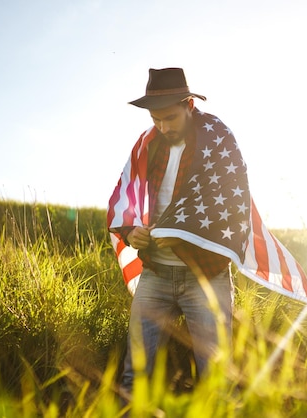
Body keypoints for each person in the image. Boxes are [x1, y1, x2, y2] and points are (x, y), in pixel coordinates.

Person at [107, 67, 246, 400]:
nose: (163, 127)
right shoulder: (147, 144)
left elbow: (231, 197)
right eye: (156, 119)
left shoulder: (217, 140)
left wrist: (183, 231)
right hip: (156, 273)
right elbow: (125, 194)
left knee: (216, 376)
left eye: (170, 118)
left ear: (189, 105)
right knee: (135, 373)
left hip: (206, 274)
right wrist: (131, 232)